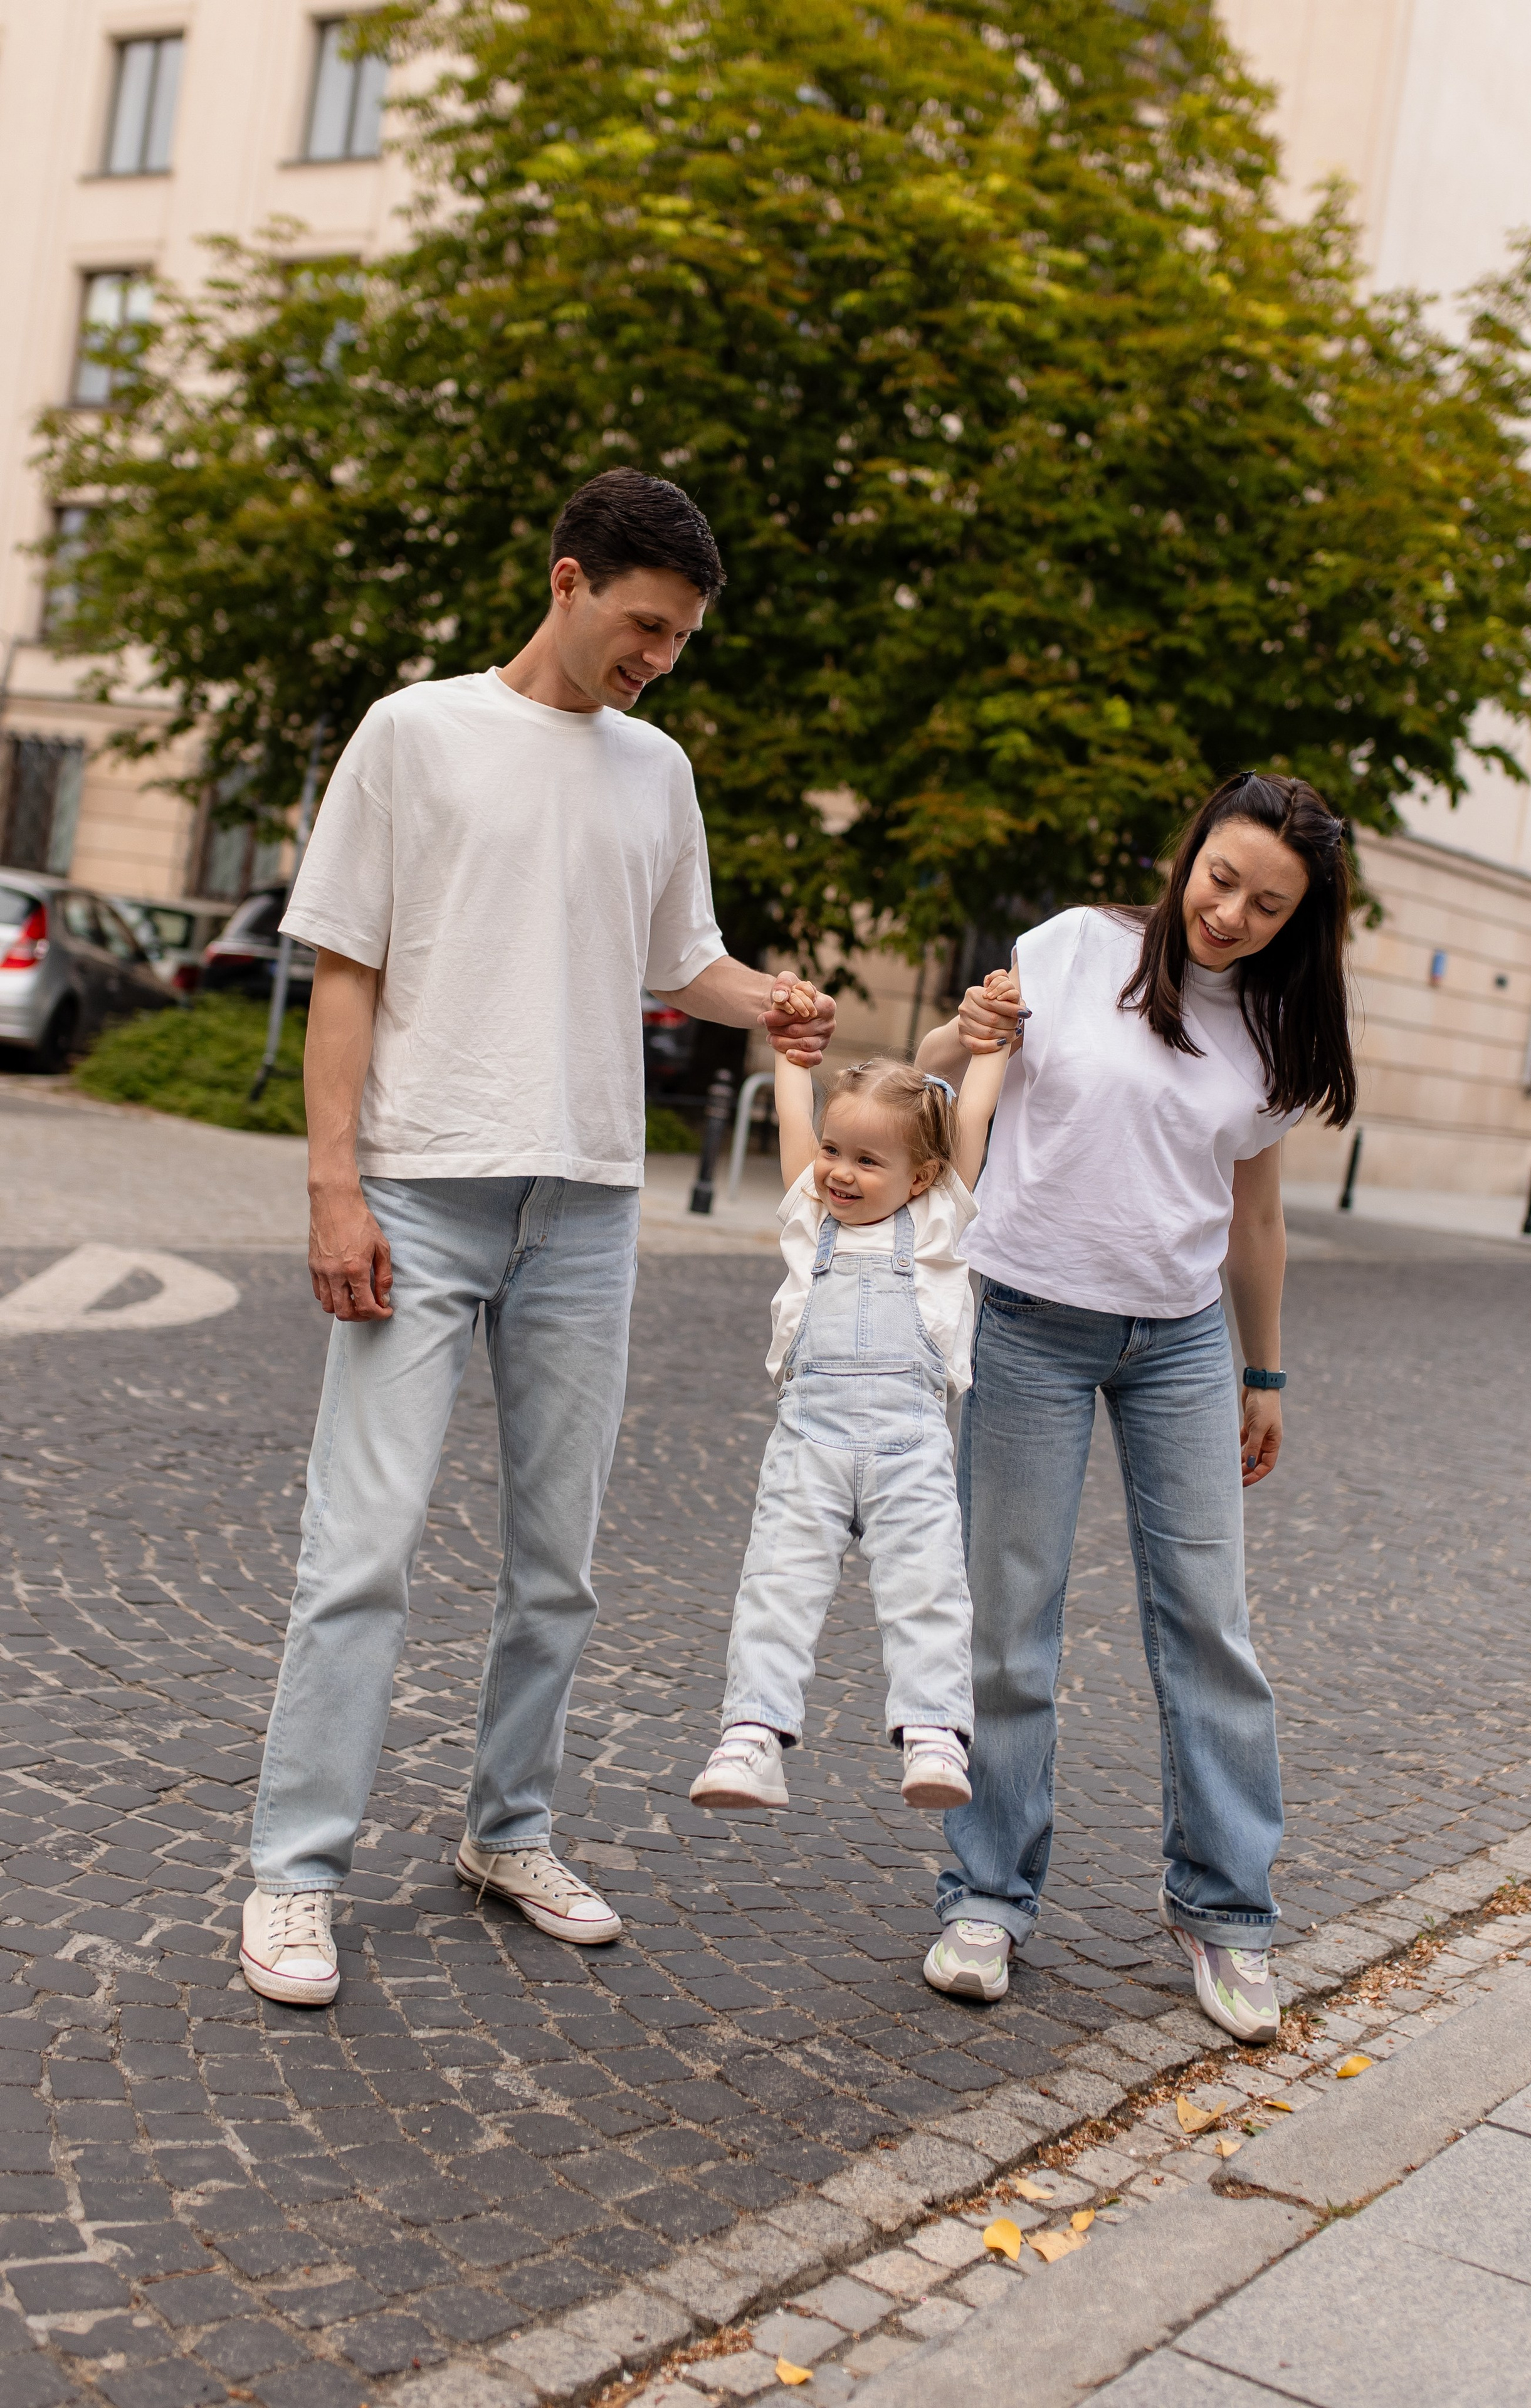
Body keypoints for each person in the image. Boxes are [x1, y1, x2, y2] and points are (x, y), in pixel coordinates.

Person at [238, 468, 835, 2008]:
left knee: (556, 1564)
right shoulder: (413, 732)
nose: (658, 658)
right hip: (421, 1195)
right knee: (360, 1552)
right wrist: (331, 1188)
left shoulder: (658, 771)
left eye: (681, 638)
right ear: (567, 582)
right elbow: (346, 971)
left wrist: (769, 999)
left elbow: (681, 958)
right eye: (643, 625)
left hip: (584, 1207)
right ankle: (295, 1872)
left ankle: (508, 1832)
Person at [916, 773, 1355, 2037]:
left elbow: (1255, 1217)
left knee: (1209, 1625)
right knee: (1009, 1624)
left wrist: (1263, 1374)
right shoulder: (1071, 949)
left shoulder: (1273, 1028)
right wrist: (960, 1030)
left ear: (1297, 921)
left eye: (1267, 906)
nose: (1231, 914)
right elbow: (942, 1079)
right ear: (1189, 853)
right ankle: (986, 1897)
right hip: (1027, 1323)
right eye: (1221, 879)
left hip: (1179, 1344)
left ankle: (1226, 1913)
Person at [689, 1008, 1013, 1817]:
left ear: (924, 1176)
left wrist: (995, 1046)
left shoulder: (939, 1221)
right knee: (777, 1583)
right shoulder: (811, 1214)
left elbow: (974, 1115)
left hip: (911, 1446)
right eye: (834, 1151)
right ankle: (753, 1735)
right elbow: (793, 1115)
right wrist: (791, 1054)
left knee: (928, 1586)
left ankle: (934, 1731)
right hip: (809, 1441)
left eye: (869, 1161)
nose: (838, 1172)